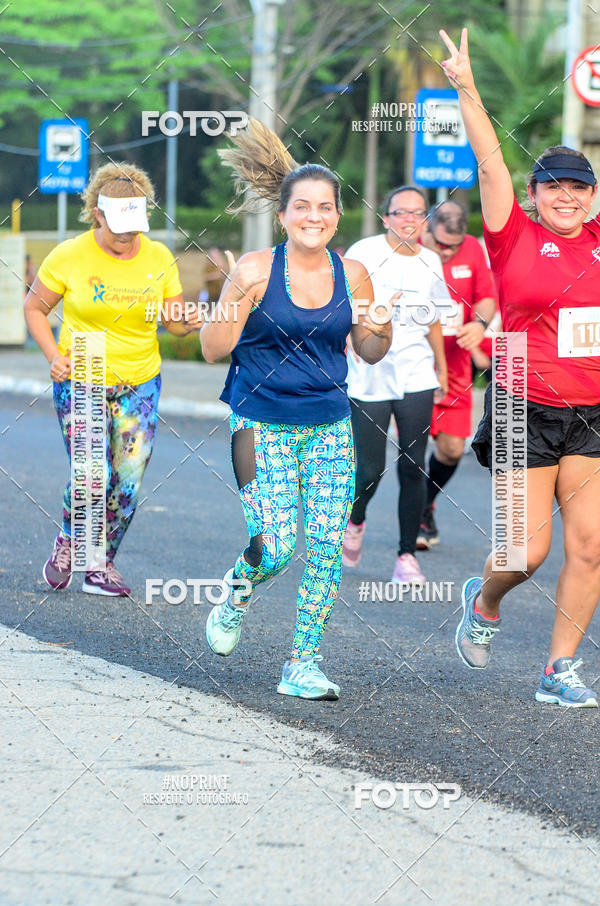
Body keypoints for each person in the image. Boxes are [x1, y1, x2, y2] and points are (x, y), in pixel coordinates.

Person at [200, 119, 392, 700]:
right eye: (302, 207)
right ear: (283, 216)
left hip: (331, 422)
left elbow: (369, 351)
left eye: (326, 207)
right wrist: (234, 297)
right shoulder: (255, 270)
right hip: (258, 425)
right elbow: (212, 351)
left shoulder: (353, 273)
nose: (315, 216)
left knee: (327, 548)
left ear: (338, 216)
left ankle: (302, 664)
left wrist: (380, 327)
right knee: (277, 546)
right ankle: (237, 590)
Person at [441, 27, 600, 707]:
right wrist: (467, 87)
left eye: (578, 188)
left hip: (591, 411)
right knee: (522, 555)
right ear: (535, 193)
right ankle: (485, 602)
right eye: (554, 187)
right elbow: (488, 161)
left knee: (590, 547)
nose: (566, 196)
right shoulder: (513, 238)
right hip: (518, 403)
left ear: (592, 196)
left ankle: (558, 669)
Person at [25, 163, 201, 596]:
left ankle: (100, 564)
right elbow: (35, 308)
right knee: (91, 474)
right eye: (117, 226)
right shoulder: (69, 254)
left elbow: (172, 323)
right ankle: (71, 538)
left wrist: (188, 321)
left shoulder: (158, 257)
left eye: (134, 226)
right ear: (97, 215)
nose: (127, 237)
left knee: (128, 480)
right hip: (82, 371)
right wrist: (54, 355)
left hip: (140, 381)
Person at [340, 185, 449, 585]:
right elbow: (342, 304)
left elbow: (435, 318)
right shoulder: (363, 253)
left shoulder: (432, 260)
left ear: (425, 221)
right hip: (369, 372)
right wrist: (346, 343)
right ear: (386, 218)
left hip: (416, 372)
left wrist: (441, 367)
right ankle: (355, 519)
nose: (409, 220)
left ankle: (406, 555)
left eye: (418, 214)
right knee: (370, 468)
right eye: (401, 212)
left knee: (413, 464)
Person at [417, 200, 497, 549]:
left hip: (455, 366)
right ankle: (411, 516)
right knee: (411, 448)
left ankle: (424, 502)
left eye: (454, 246)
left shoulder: (472, 251)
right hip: (413, 366)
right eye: (441, 244)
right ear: (427, 228)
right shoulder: (407, 250)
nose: (447, 252)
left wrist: (477, 326)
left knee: (450, 450)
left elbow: (487, 299)